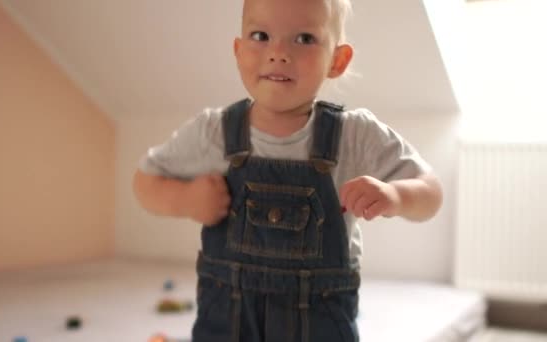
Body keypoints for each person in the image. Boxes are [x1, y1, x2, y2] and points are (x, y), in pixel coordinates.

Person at [133, 0, 443, 341]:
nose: (278, 52)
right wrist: (185, 199)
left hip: (321, 325)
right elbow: (145, 182)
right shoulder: (214, 132)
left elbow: (430, 192)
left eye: (305, 39)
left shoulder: (354, 135)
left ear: (337, 60)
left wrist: (395, 195)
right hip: (227, 324)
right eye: (261, 35)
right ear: (238, 50)